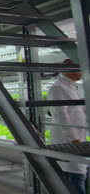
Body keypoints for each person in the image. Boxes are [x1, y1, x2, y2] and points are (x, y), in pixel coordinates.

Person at [48, 59, 86, 194]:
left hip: (78, 134)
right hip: (68, 137)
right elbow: (60, 114)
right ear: (67, 71)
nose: (81, 74)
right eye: (78, 70)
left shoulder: (73, 87)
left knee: (74, 173)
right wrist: (73, 138)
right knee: (77, 175)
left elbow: (79, 110)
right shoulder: (58, 88)